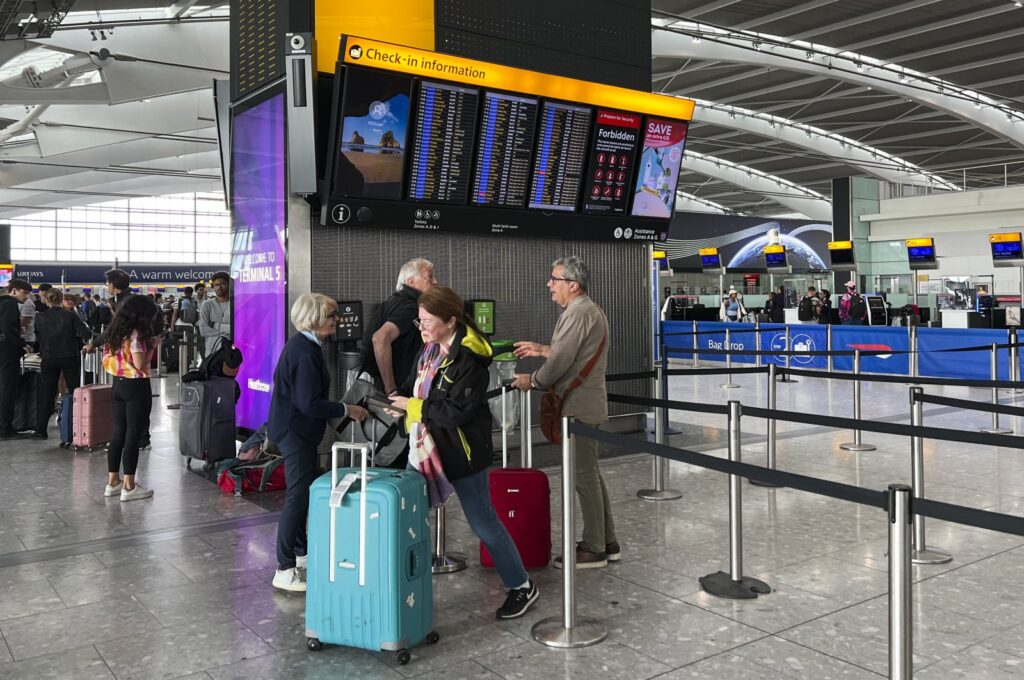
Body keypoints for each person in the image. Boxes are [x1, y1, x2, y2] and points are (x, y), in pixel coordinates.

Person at [389, 286, 540, 619]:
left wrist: (413, 408)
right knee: (411, 520)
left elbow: (454, 412)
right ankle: (406, 587)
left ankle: (522, 586)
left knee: (484, 525)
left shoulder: (470, 359)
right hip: (426, 449)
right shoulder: (429, 351)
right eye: (419, 320)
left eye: (428, 320)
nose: (422, 326)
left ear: (451, 321)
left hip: (463, 454)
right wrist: (399, 402)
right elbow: (415, 387)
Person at [512, 256, 617, 569]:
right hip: (586, 404)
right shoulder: (585, 310)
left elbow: (560, 363)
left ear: (573, 284)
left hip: (578, 409)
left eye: (554, 279)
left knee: (584, 477)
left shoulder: (578, 312)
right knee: (590, 476)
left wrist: (533, 380)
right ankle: (607, 541)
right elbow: (571, 353)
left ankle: (595, 547)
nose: (549, 284)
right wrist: (543, 349)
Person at [268, 293, 368, 593]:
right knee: (297, 498)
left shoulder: (304, 346)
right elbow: (309, 403)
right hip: (295, 433)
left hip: (296, 431)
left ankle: (301, 556)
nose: (338, 321)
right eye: (332, 316)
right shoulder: (305, 353)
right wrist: (346, 409)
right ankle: (284, 568)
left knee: (302, 496)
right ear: (314, 319)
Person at [101, 295, 162, 502]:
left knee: (118, 433)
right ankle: (129, 485)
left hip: (117, 384)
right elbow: (139, 363)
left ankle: (113, 482)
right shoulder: (137, 335)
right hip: (136, 386)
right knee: (133, 435)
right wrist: (153, 345)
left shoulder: (115, 332)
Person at [363, 258, 437, 396]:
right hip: (400, 387)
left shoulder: (392, 301)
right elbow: (379, 338)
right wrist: (391, 389)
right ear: (411, 282)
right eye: (430, 277)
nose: (435, 281)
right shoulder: (409, 307)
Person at [30, 288, 91, 439]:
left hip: (49, 358)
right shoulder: (70, 316)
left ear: (47, 299)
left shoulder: (40, 317)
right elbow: (86, 333)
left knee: (47, 394)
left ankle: (41, 430)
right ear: (61, 299)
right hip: (69, 357)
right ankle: (76, 428)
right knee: (75, 392)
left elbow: (37, 337)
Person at [0, 279, 33, 439]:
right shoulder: (10, 304)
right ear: (13, 290)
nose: (26, 296)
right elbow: (8, 328)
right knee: (7, 389)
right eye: (24, 292)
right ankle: (5, 429)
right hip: (8, 352)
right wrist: (22, 344)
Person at [199, 271, 231, 357]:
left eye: (223, 284)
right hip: (212, 352)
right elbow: (204, 331)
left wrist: (215, 325)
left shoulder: (235, 305)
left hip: (232, 353)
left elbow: (238, 330)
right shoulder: (207, 305)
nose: (219, 287)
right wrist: (227, 333)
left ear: (229, 285)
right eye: (216, 285)